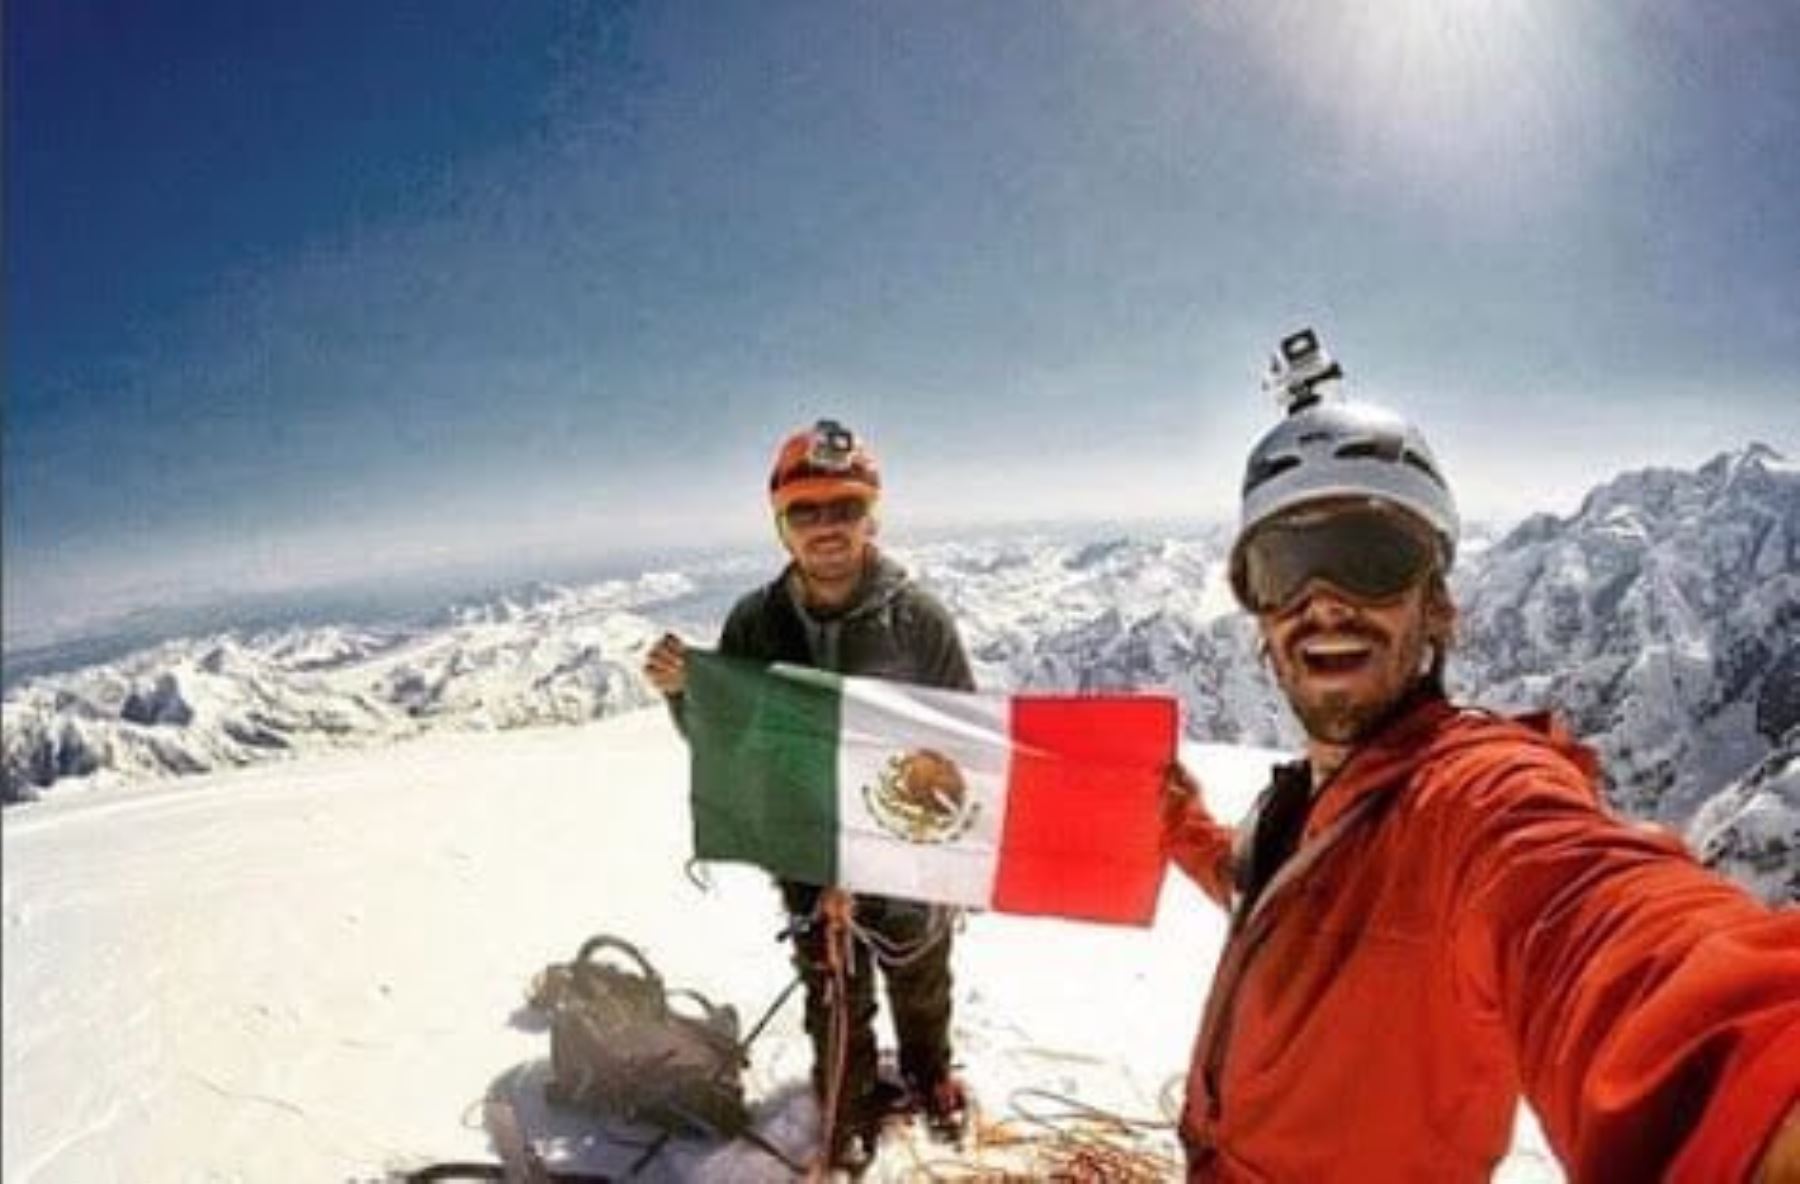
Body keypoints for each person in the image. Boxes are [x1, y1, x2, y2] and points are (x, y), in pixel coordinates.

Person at [1161, 331, 1800, 1182]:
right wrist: (1175, 820)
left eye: (1369, 559)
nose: (1325, 605)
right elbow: (1281, 900)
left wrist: (1757, 1097)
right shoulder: (1312, 804)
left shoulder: (1474, 798)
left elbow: (1594, 915)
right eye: (1285, 569)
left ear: (1439, 604)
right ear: (1258, 610)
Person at [643, 417, 975, 1168]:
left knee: (920, 967)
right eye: (807, 510)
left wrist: (958, 858)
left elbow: (964, 743)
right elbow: (724, 740)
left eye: (845, 507)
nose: (827, 526)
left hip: (905, 833)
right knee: (831, 982)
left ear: (873, 514)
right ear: (781, 525)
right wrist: (683, 695)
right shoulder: (754, 623)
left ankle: (929, 1075)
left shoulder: (917, 618)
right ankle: (846, 1099)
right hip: (802, 835)